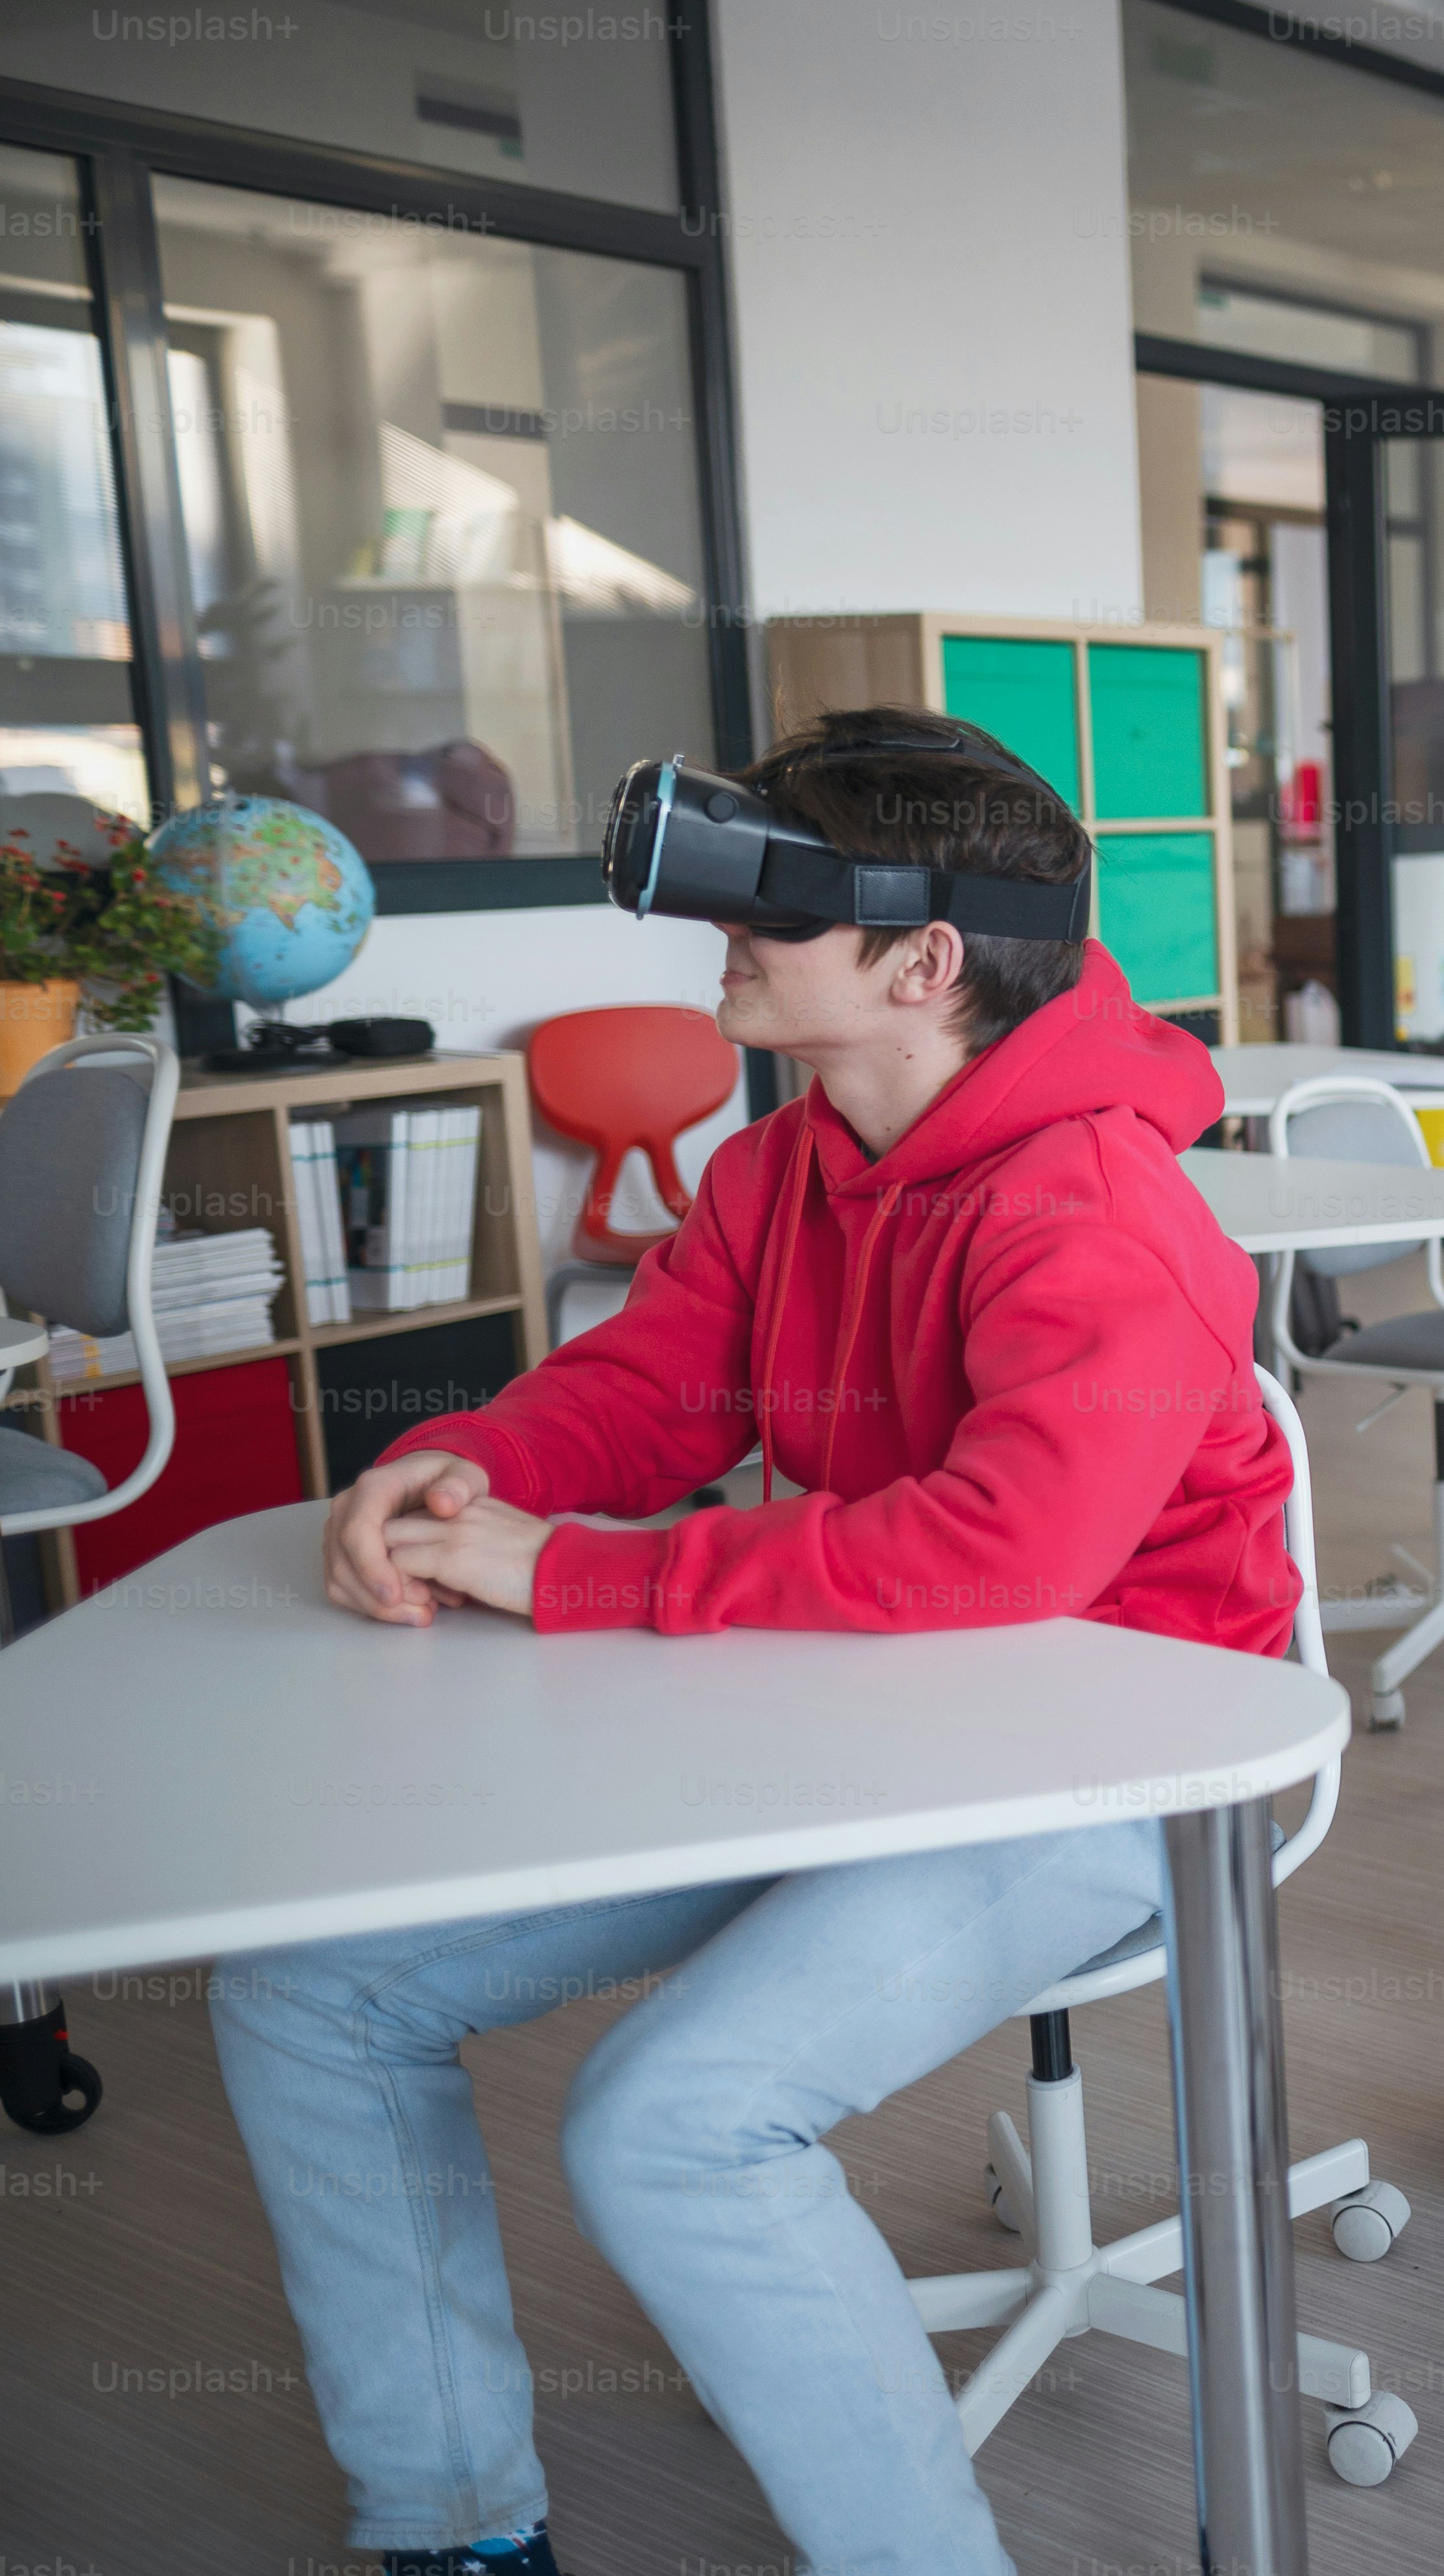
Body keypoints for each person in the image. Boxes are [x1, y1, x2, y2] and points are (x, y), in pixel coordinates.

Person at [205, 711, 1299, 2575]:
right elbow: (652, 1385)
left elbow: (1006, 1549)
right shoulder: (790, 1163)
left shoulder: (1094, 1201)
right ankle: (454, 2525)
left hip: (1113, 1756)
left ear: (922, 961)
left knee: (666, 2127)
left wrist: (572, 1575)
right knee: (310, 1989)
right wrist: (468, 1467)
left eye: (769, 906)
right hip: (853, 1708)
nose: (720, 942)